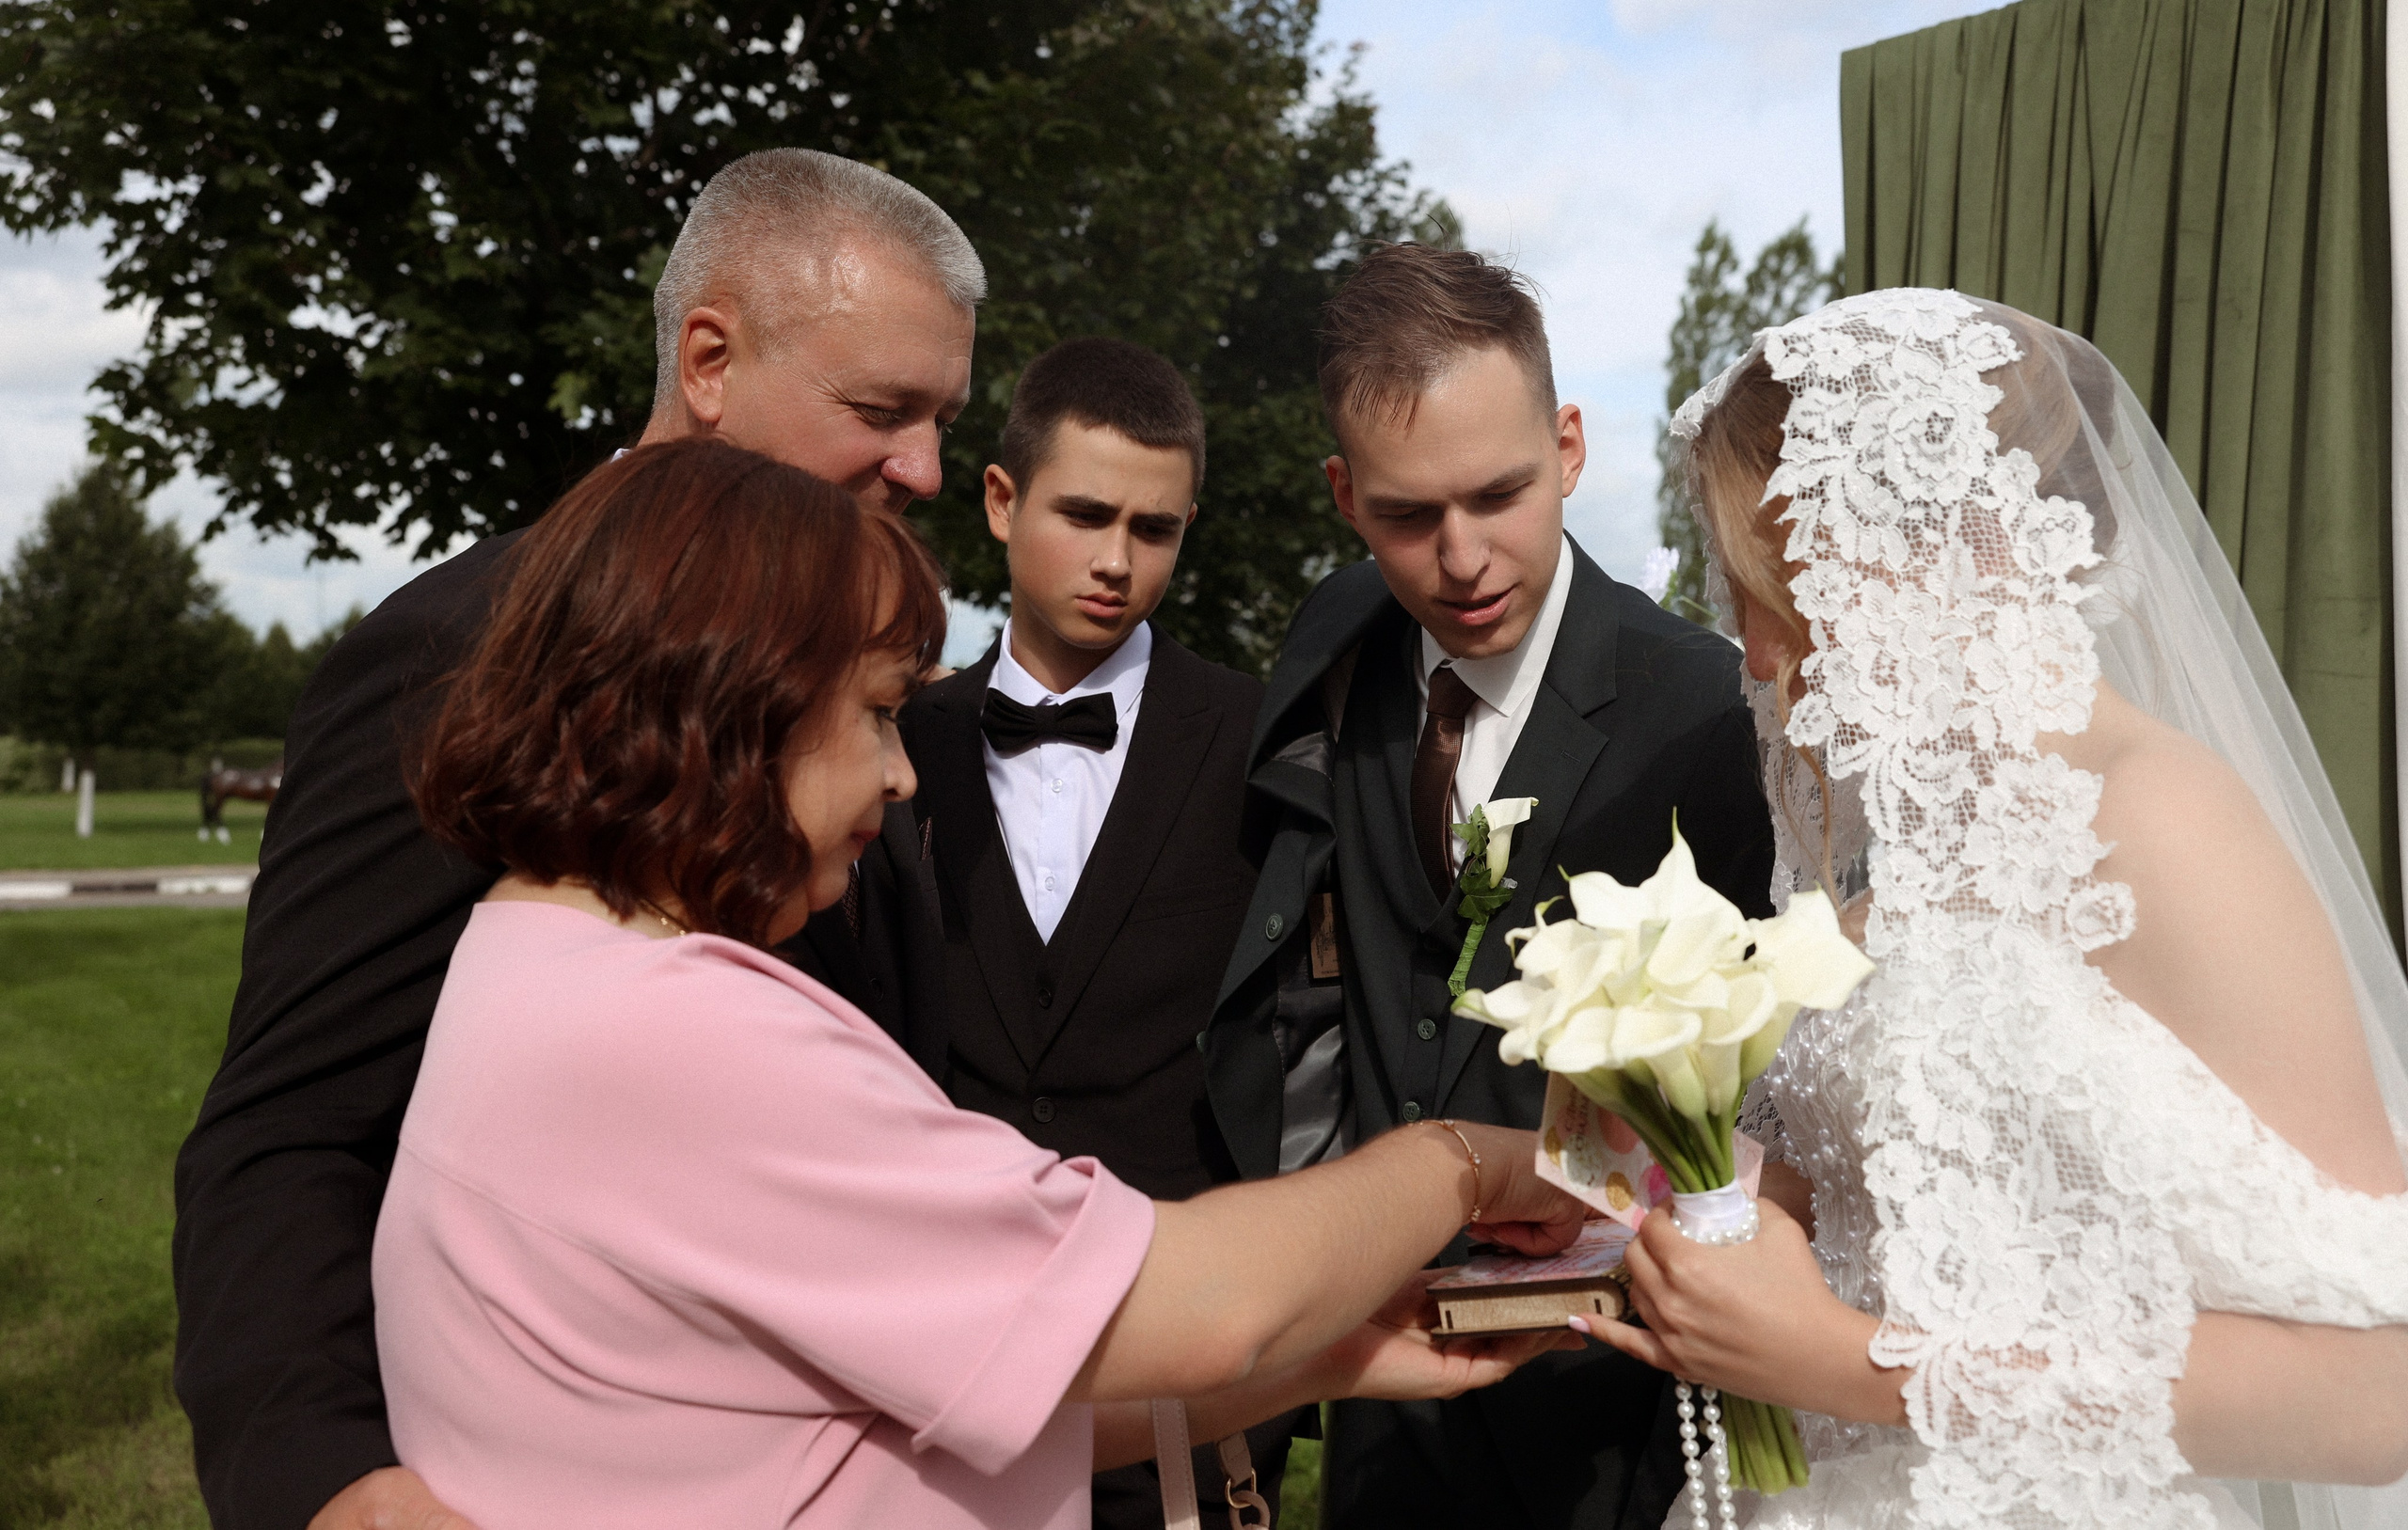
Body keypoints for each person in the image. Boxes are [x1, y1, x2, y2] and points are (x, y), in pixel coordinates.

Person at [374, 435, 1589, 1528]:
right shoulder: (682, 1033)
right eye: (876, 713)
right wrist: (1465, 1159)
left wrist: (1322, 1360)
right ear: (735, 705)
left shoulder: (529, 953)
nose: (901, 773)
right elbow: (1203, 1302)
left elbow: (879, 1420)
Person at [170, 149, 978, 1530]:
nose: (927, 467)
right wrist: (327, 1479)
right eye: (880, 411)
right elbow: (290, 1123)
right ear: (709, 361)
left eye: (944, 419)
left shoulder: (863, 683)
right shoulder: (461, 652)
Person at [1590, 289, 2408, 1528]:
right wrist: (1636, 1189)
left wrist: (1848, 1366)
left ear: (1926, 547)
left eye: (1776, 585)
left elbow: (2375, 1390)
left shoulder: (2162, 818)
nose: (1753, 652)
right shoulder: (1896, 865)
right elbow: (1869, 1210)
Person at [1202, 243, 1778, 1530]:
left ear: (1567, 447)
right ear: (1344, 496)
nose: (1460, 557)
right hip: (1384, 1406)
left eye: (1498, 495)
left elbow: (1766, 1090)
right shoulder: (1335, 652)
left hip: (1617, 1415)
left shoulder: (1705, 708)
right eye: (1408, 516)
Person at [899, 338, 1303, 1525]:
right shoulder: (896, 746)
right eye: (1084, 515)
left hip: (1182, 1384)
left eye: (1155, 529)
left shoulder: (1262, 744)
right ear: (1000, 500)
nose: (1118, 561)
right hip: (936, 1369)